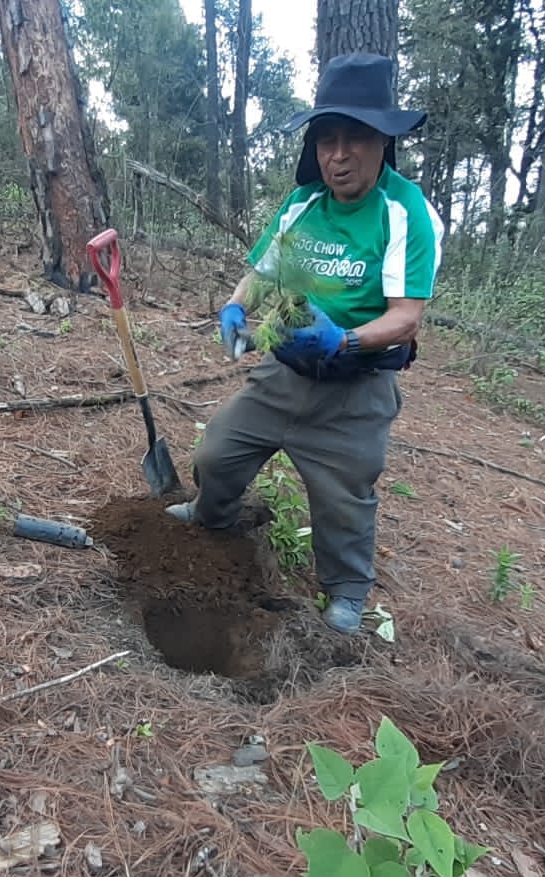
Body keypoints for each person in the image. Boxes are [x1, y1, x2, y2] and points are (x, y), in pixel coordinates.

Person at [167, 52, 444, 635]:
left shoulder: (404, 211)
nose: (338, 155)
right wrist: (237, 304)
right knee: (217, 452)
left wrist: (344, 339)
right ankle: (213, 516)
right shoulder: (303, 204)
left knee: (344, 496)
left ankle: (345, 594)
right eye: (327, 140)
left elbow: (406, 318)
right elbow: (263, 271)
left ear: (381, 142)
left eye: (354, 139)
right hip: (285, 372)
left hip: (356, 387)